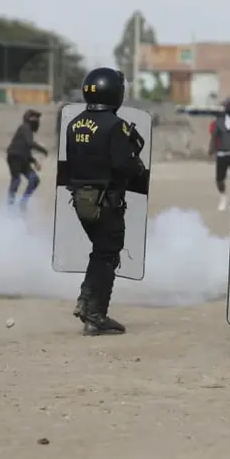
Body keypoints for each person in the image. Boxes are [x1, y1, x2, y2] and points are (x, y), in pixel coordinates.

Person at [66, 67, 147, 336]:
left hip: (79, 200)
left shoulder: (74, 123)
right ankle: (95, 313)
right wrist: (136, 163)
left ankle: (86, 304)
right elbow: (124, 166)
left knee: (100, 252)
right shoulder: (116, 125)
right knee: (109, 253)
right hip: (106, 201)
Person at [6, 109, 48, 210]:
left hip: (23, 159)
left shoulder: (26, 129)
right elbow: (30, 143)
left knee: (34, 180)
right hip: (15, 157)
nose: (38, 122)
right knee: (16, 180)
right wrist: (43, 150)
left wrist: (34, 161)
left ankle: (23, 202)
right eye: (36, 119)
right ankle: (10, 205)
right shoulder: (25, 128)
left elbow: (25, 149)